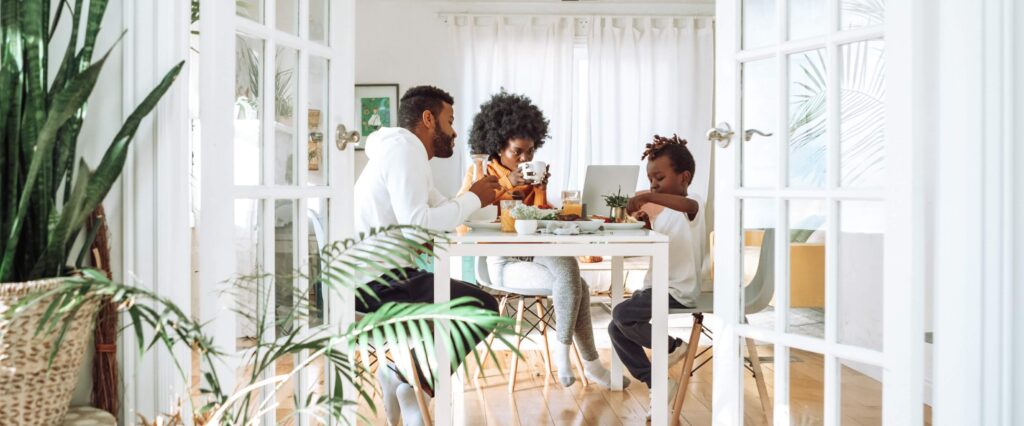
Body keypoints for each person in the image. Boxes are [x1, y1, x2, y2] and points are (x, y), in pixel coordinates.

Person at [354, 85, 502, 426]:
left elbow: (439, 210)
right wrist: (474, 199)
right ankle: (412, 381)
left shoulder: (405, 153)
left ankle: (401, 375)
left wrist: (480, 199)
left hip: (380, 274)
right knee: (482, 308)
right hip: (377, 282)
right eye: (449, 121)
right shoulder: (404, 152)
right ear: (427, 118)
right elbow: (419, 223)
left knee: (471, 302)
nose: (453, 132)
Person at [457, 91, 623, 388]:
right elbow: (463, 218)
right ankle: (584, 362)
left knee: (570, 271)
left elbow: (538, 221)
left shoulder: (531, 174)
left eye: (531, 151)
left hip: (535, 252)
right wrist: (508, 183)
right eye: (517, 152)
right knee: (578, 285)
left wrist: (542, 191)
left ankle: (573, 358)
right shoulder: (480, 172)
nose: (525, 159)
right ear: (497, 146)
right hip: (501, 261)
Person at [607, 134, 709, 419]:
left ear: (684, 177)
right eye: (650, 180)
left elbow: (687, 208)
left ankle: (673, 347)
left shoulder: (693, 204)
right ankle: (657, 381)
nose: (653, 185)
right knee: (616, 328)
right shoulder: (664, 215)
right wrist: (646, 221)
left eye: (659, 178)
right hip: (655, 287)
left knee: (622, 315)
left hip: (677, 289)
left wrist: (650, 197)